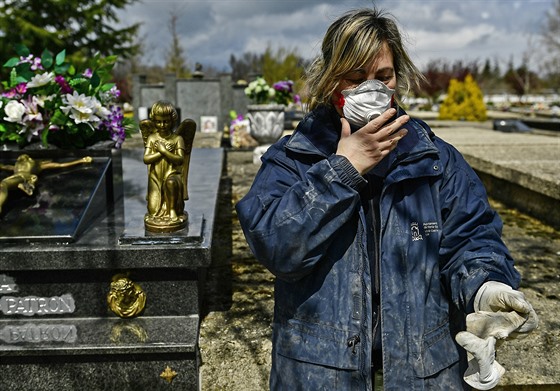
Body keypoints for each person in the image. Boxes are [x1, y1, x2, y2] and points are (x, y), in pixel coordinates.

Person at [236, 8, 538, 390]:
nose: (372, 89)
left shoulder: (435, 159)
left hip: (424, 373)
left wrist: (487, 287)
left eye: (383, 76)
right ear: (332, 82)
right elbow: (277, 248)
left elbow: (472, 238)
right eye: (356, 77)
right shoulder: (294, 158)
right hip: (319, 374)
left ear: (398, 79)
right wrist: (344, 167)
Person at [141, 100, 196, 232]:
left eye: (166, 121)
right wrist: (162, 152)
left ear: (172, 121)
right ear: (154, 120)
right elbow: (146, 159)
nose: (162, 125)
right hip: (155, 178)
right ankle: (159, 211)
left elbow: (179, 160)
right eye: (158, 122)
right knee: (153, 212)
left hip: (172, 175)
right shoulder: (152, 138)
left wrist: (164, 151)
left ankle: (172, 211)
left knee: (171, 183)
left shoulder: (177, 139)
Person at [0, 154, 92, 214]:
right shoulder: (15, 166)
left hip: (24, 177)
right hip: (15, 177)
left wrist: (81, 160)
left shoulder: (39, 165)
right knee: (3, 185)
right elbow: (3, 166)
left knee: (3, 184)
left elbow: (61, 165)